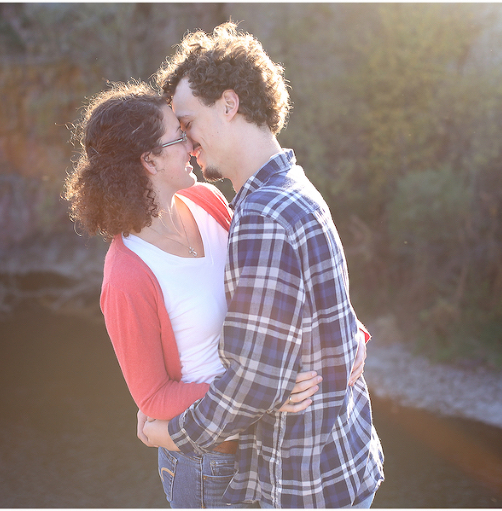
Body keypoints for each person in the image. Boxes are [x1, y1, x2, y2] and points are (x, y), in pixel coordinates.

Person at [62, 81, 357, 508]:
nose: (192, 145)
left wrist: (350, 329)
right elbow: (154, 399)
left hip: (263, 446)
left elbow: (281, 274)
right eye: (179, 135)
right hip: (206, 463)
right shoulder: (127, 274)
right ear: (150, 161)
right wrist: (264, 391)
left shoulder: (207, 200)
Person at [142, 22, 385, 508]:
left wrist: (170, 433)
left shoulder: (262, 215)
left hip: (302, 485)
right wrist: (348, 341)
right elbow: (317, 310)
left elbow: (254, 382)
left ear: (229, 105)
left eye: (188, 123)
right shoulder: (293, 185)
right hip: (344, 464)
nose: (187, 143)